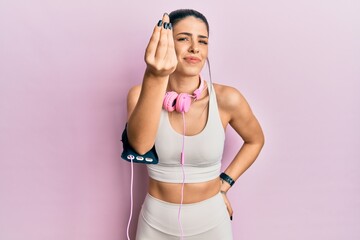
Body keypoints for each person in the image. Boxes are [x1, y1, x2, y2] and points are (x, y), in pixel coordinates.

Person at [124, 9, 264, 240]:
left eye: (203, 41)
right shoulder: (140, 94)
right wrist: (155, 75)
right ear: (166, 43)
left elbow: (255, 140)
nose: (194, 48)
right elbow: (140, 146)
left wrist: (224, 184)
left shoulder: (228, 98)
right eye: (183, 39)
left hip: (212, 222)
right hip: (155, 223)